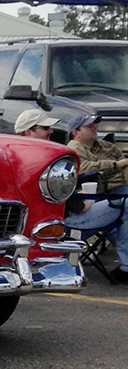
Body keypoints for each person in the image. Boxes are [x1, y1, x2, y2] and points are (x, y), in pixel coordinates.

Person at [14, 111, 128, 283]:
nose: (51, 131)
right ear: (27, 132)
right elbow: (46, 192)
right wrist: (78, 203)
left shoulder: (37, 153)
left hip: (57, 218)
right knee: (125, 206)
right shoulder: (31, 157)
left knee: (122, 212)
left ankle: (125, 267)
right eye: (45, 128)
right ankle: (125, 268)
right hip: (64, 221)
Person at [66, 113, 128, 194]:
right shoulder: (72, 149)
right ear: (76, 133)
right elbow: (80, 168)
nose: (95, 128)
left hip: (123, 187)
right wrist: (114, 165)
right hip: (104, 192)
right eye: (89, 126)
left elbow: (124, 162)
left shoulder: (106, 145)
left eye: (95, 125)